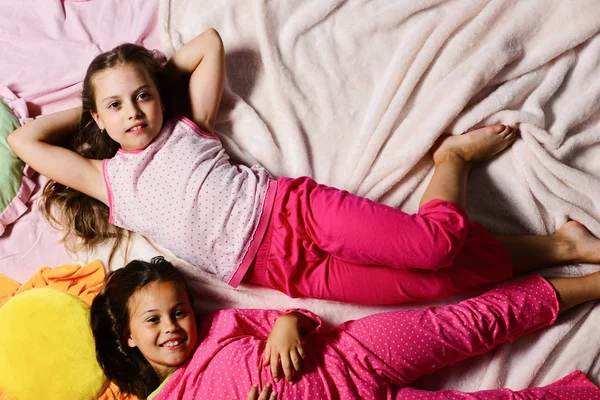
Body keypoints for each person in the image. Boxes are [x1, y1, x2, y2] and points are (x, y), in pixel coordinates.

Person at [8, 29, 600, 304]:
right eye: (116, 106)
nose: (133, 111)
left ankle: (453, 158)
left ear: (160, 96)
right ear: (99, 119)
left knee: (435, 246)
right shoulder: (110, 181)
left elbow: (209, 44)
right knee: (435, 284)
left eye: (141, 96)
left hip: (295, 213)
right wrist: (94, 104)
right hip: (280, 274)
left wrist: (148, 77)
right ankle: (559, 247)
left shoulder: (189, 126)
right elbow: (25, 141)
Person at [91, 257, 600, 400]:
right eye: (153, 320)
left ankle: (590, 284)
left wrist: (287, 325)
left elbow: (289, 317)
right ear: (130, 336)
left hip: (353, 354)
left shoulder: (221, 325)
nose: (173, 327)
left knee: (469, 323)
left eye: (178, 310)